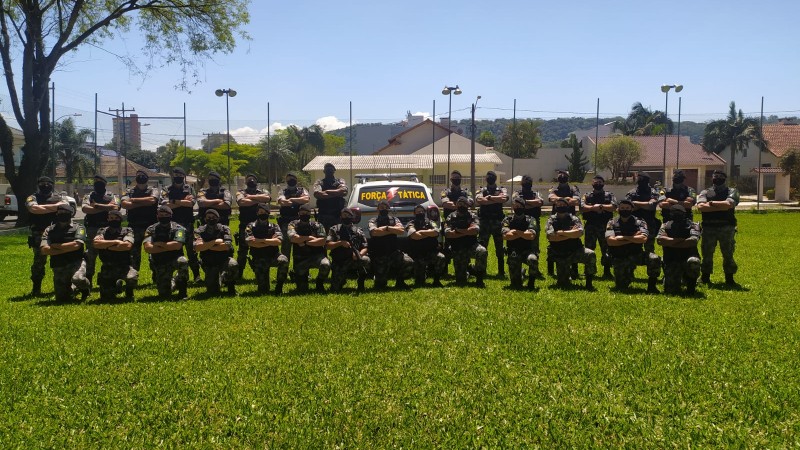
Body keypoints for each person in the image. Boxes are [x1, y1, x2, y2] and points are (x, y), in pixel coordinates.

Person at [605, 199, 662, 292]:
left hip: (637, 254)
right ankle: (628, 272)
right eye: (622, 208)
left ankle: (652, 286)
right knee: (621, 286)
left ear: (632, 209)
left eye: (627, 208)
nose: (625, 210)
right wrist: (633, 238)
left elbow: (643, 239)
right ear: (618, 209)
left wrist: (622, 237)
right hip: (619, 256)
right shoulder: (611, 222)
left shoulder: (640, 222)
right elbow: (611, 241)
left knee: (654, 258)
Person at [696, 170, 740, 285]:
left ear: (725, 178)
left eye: (720, 176)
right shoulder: (705, 192)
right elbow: (700, 207)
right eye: (715, 176)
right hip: (709, 228)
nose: (717, 178)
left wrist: (710, 204)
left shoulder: (732, 191)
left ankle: (729, 279)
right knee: (707, 253)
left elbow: (729, 205)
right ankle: (705, 277)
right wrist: (720, 205)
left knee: (728, 253)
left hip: (726, 227)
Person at [40, 204, 91, 302]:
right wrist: (66, 247)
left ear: (70, 214)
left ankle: (85, 288)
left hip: (76, 262)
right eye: (60, 213)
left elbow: (76, 245)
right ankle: (72, 288)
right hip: (59, 264)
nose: (62, 215)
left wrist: (56, 246)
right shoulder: (49, 230)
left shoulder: (79, 227)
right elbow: (44, 250)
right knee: (62, 298)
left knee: (78, 279)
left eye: (65, 213)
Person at [25, 176, 66, 295]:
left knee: (59, 258)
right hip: (39, 232)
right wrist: (55, 207)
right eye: (43, 183)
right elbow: (33, 209)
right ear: (38, 184)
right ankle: (36, 288)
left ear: (52, 184)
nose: (46, 185)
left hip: (57, 232)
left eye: (48, 183)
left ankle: (61, 286)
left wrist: (42, 208)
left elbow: (65, 207)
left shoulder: (60, 196)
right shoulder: (32, 197)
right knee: (39, 261)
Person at [545, 197, 595, 289]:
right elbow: (551, 237)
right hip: (560, 253)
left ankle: (589, 283)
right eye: (558, 205)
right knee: (563, 284)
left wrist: (560, 233)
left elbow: (579, 233)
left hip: (575, 250)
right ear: (555, 206)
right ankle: (568, 274)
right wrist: (571, 233)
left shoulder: (574, 218)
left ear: (567, 206)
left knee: (590, 254)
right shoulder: (551, 220)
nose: (561, 206)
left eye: (563, 205)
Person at [161, 167, 200, 281]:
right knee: (176, 250)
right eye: (175, 175)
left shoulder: (189, 189)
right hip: (173, 225)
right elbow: (165, 205)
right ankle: (178, 276)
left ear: (183, 176)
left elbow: (191, 203)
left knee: (191, 252)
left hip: (188, 224)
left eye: (179, 175)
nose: (177, 177)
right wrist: (183, 202)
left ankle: (196, 275)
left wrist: (173, 201)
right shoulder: (166, 189)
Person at [81, 174, 121, 284]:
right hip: (92, 228)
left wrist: (96, 206)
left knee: (110, 254)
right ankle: (88, 282)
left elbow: (116, 207)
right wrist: (107, 207)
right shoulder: (88, 196)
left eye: (100, 181)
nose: (97, 183)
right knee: (90, 256)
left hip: (109, 230)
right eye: (95, 181)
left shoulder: (113, 195)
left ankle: (111, 281)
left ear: (105, 183)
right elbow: (85, 209)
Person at [143, 205, 189, 299]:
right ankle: (173, 282)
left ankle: (182, 292)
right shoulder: (151, 229)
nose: (163, 217)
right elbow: (148, 248)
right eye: (161, 215)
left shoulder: (179, 228)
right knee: (164, 294)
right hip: (160, 261)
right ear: (157, 216)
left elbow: (177, 245)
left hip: (175, 258)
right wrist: (169, 246)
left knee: (183, 261)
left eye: (166, 215)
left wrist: (159, 244)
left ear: (171, 215)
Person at [92, 210, 138, 301]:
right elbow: (96, 243)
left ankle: (129, 291)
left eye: (116, 218)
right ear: (108, 219)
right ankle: (117, 286)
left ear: (120, 219)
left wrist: (106, 246)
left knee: (131, 278)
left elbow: (127, 246)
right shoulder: (102, 231)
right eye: (111, 218)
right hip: (107, 267)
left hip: (124, 266)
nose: (114, 220)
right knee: (106, 298)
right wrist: (116, 242)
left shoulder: (127, 230)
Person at [368, 199, 413, 289]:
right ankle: (380, 279)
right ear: (377, 209)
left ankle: (400, 282)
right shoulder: (373, 220)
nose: (384, 209)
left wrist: (386, 228)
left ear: (388, 209)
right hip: (380, 254)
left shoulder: (394, 219)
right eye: (381, 207)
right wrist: (392, 230)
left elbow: (401, 231)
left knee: (409, 262)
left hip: (393, 252)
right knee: (380, 285)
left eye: (386, 208)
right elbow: (374, 232)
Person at [657, 204, 701, 295]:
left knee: (694, 261)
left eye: (679, 213)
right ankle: (670, 278)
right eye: (674, 213)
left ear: (684, 214)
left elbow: (693, 241)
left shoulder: (693, 225)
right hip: (671, 259)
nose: (677, 215)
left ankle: (691, 285)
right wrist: (681, 241)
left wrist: (670, 242)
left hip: (688, 257)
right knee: (670, 291)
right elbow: (660, 240)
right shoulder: (665, 225)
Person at [245, 203, 289, 294]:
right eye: (260, 212)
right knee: (263, 290)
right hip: (259, 258)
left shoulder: (275, 226)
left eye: (265, 212)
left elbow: (279, 242)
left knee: (284, 260)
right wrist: (270, 241)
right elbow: (251, 243)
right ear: (257, 213)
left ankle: (279, 286)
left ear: (268, 213)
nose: (262, 214)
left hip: (273, 255)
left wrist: (260, 240)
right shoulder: (250, 226)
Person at [121, 169, 159, 272]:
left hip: (150, 226)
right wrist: (144, 202)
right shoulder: (129, 191)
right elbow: (124, 204)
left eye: (142, 175)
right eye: (138, 175)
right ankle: (133, 277)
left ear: (147, 178)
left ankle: (156, 276)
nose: (140, 177)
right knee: (134, 255)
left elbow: (152, 200)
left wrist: (133, 200)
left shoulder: (153, 190)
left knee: (153, 254)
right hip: (134, 226)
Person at [445, 196, 488, 287]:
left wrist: (458, 231)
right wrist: (467, 231)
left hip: (471, 245)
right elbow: (448, 234)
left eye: (464, 204)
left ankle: (479, 279)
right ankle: (470, 269)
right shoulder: (451, 216)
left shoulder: (472, 216)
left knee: (482, 251)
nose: (461, 206)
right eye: (459, 204)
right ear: (456, 205)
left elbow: (475, 231)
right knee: (460, 280)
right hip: (457, 247)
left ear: (467, 205)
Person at [194, 209, 238, 295]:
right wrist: (215, 242)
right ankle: (220, 279)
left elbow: (226, 246)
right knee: (212, 292)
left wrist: (205, 246)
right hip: (208, 262)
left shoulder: (224, 228)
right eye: (208, 217)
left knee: (233, 264)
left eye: (214, 217)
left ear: (218, 218)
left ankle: (231, 287)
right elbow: (197, 247)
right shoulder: (198, 231)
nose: (211, 219)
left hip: (223, 260)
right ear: (205, 219)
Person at [287, 204, 330, 292]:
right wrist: (310, 238)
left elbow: (322, 241)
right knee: (302, 289)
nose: (304, 215)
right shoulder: (293, 224)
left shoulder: (317, 225)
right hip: (300, 258)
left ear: (310, 214)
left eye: (306, 213)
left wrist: (303, 242)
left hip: (317, 256)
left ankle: (319, 282)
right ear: (298, 213)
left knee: (326, 264)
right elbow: (293, 238)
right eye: (302, 213)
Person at [580, 175, 616, 279]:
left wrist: (600, 206)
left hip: (605, 226)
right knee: (588, 249)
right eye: (596, 182)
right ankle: (588, 271)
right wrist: (593, 208)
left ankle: (607, 271)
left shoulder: (609, 195)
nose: (598, 184)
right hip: (591, 225)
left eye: (600, 182)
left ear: (603, 183)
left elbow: (613, 206)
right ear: (592, 183)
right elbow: (582, 207)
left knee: (606, 249)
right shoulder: (587, 195)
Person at [235, 174, 271, 276]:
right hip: (245, 224)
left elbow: (267, 198)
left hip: (259, 226)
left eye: (253, 179)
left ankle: (259, 272)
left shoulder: (263, 191)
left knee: (259, 248)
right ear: (246, 182)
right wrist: (259, 200)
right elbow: (241, 202)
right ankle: (239, 273)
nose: (251, 180)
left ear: (257, 181)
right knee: (242, 250)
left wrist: (251, 197)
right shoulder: (240, 192)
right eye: (249, 179)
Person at [326, 207, 370, 292]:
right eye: (343, 216)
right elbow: (327, 245)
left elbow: (365, 247)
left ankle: (361, 283)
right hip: (339, 261)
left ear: (352, 217)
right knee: (335, 289)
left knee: (366, 260)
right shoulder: (334, 229)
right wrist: (340, 243)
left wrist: (359, 255)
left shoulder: (358, 230)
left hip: (354, 259)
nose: (345, 217)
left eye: (347, 215)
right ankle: (342, 280)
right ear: (340, 217)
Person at [475, 170, 509, 277]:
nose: (489, 178)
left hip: (497, 222)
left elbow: (504, 198)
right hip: (484, 222)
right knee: (482, 247)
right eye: (488, 176)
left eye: (491, 176)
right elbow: (480, 200)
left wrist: (489, 198)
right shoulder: (481, 189)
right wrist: (495, 200)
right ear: (486, 179)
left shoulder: (502, 189)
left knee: (500, 247)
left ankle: (501, 271)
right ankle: (481, 270)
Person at [547, 170, 581, 277]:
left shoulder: (573, 188)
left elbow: (576, 200)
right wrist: (565, 199)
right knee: (554, 240)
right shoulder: (553, 188)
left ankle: (574, 270)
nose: (562, 177)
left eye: (564, 175)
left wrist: (559, 200)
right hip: (556, 218)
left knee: (573, 242)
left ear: (568, 177)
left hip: (570, 219)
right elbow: (550, 199)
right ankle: (551, 271)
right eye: (560, 175)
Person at [502, 197, 540, 290]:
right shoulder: (507, 219)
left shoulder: (531, 219)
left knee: (533, 259)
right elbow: (506, 236)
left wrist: (515, 231)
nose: (517, 207)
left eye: (519, 206)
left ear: (523, 207)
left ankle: (531, 283)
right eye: (515, 206)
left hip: (528, 250)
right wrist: (523, 233)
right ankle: (521, 274)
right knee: (515, 284)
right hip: (513, 251)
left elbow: (531, 236)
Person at [405, 204, 446, 287]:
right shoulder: (410, 224)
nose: (420, 213)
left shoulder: (431, 222)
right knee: (419, 282)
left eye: (422, 211)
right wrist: (428, 233)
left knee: (441, 257)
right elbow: (414, 236)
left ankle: (436, 280)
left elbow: (436, 232)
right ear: (414, 213)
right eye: (418, 211)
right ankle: (422, 275)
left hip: (431, 251)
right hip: (418, 254)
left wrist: (420, 232)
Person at [511, 174, 544, 275]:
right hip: (520, 222)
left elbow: (540, 202)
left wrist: (524, 203)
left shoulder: (536, 193)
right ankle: (517, 267)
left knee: (535, 246)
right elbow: (515, 202)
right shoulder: (517, 193)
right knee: (517, 245)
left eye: (528, 184)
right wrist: (531, 204)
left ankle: (535, 269)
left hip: (533, 222)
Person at [440, 170, 473, 265]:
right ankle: (445, 269)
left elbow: (470, 202)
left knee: (465, 244)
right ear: (450, 179)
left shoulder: (466, 192)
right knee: (447, 245)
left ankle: (467, 267)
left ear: (460, 179)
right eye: (454, 178)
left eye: (457, 178)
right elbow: (446, 204)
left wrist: (454, 204)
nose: (456, 180)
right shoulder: (445, 192)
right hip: (450, 222)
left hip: (464, 222)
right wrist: (462, 204)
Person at [625, 172, 661, 255]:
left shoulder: (653, 192)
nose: (640, 181)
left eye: (642, 179)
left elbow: (651, 206)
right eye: (639, 179)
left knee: (650, 251)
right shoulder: (632, 192)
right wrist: (645, 204)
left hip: (649, 224)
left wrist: (636, 203)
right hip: (634, 225)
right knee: (633, 250)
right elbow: (628, 207)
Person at [276, 172, 310, 259]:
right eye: (289, 179)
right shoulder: (282, 191)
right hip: (285, 222)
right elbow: (283, 202)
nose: (291, 181)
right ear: (286, 181)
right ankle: (284, 269)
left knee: (300, 246)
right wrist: (298, 200)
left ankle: (299, 270)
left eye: (293, 179)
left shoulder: (302, 190)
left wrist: (291, 199)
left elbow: (306, 199)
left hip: (299, 222)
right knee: (285, 248)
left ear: (296, 180)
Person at [313, 163, 348, 231]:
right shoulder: (319, 182)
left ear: (334, 171)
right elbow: (317, 194)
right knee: (323, 237)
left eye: (331, 169)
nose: (329, 171)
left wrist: (326, 192)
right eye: (327, 169)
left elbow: (344, 191)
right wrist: (337, 192)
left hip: (337, 216)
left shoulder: (340, 181)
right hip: (323, 216)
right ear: (324, 171)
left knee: (338, 237)